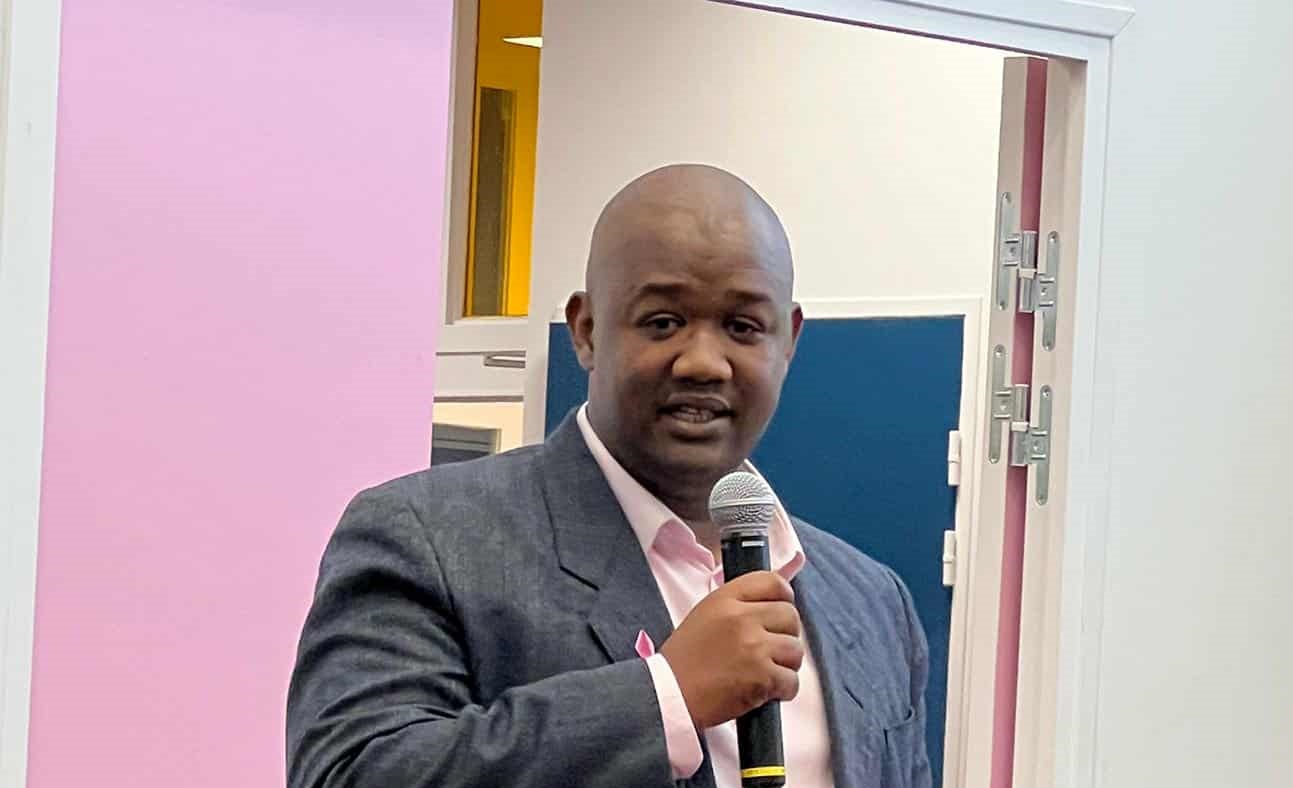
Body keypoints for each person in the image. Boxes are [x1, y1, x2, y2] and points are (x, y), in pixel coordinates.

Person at [286, 164, 931, 788]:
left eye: (742, 327)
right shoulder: (429, 539)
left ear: (787, 340)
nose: (704, 363)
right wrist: (666, 698)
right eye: (664, 322)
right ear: (586, 331)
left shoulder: (873, 600)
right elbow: (352, 772)